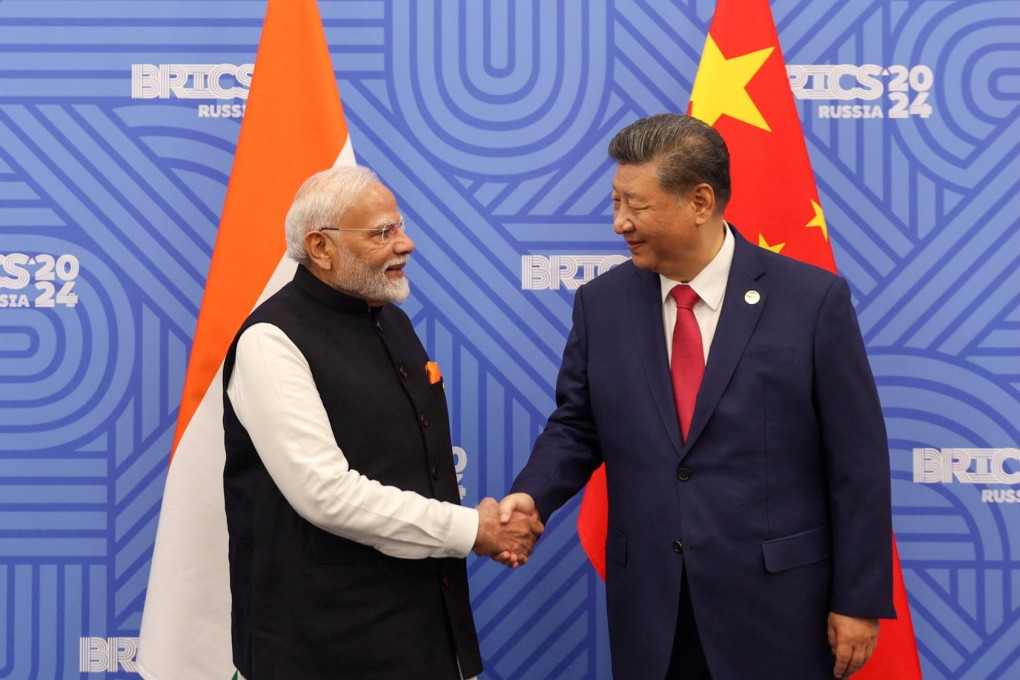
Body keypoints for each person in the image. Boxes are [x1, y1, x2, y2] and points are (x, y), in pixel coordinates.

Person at [499, 113, 894, 680]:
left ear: (700, 202)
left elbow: (857, 460)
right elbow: (577, 426)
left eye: (636, 206)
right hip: (653, 607)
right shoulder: (601, 304)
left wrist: (857, 598)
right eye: (616, 202)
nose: (619, 223)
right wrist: (532, 494)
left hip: (779, 608)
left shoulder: (811, 301)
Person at [222, 166, 541, 679]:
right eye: (382, 232)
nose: (405, 244)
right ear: (321, 248)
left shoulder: (392, 321)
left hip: (422, 636)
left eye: (400, 226)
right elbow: (326, 494)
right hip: (323, 650)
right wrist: (473, 529)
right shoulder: (271, 340)